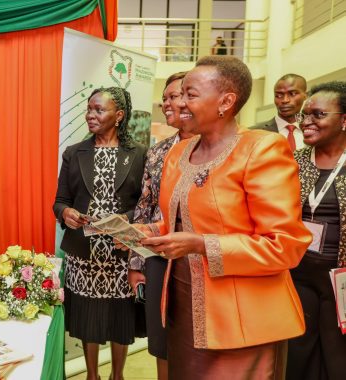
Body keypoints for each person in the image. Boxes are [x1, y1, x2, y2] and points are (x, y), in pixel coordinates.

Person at [139, 56, 312, 379]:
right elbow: (178, 221)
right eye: (178, 95)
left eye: (190, 94)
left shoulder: (261, 150)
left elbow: (286, 245)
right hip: (183, 310)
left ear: (226, 101)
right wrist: (142, 232)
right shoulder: (179, 152)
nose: (179, 103)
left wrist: (203, 245)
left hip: (242, 321)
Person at [53, 87, 147, 380]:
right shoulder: (74, 153)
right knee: (88, 319)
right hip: (85, 254)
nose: (90, 115)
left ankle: (117, 375)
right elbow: (60, 201)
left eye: (99, 110)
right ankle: (92, 375)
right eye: (89, 109)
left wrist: (126, 219)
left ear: (118, 116)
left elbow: (147, 204)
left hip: (121, 254)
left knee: (120, 319)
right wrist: (65, 214)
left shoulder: (139, 154)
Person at [127, 71, 193, 380]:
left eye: (174, 96)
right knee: (162, 342)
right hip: (157, 258)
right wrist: (136, 262)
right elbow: (145, 207)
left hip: (201, 260)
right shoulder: (156, 151)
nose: (166, 104)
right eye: (164, 98)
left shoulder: (226, 149)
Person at [287, 81, 346, 380]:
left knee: (338, 359)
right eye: (304, 115)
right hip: (297, 275)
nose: (306, 122)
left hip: (342, 281)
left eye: (318, 114)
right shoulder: (292, 162)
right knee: (296, 356)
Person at [252, 73, 308, 151]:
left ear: (306, 95)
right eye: (279, 95)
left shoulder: (316, 131)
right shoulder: (255, 133)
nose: (285, 100)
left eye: (293, 94)